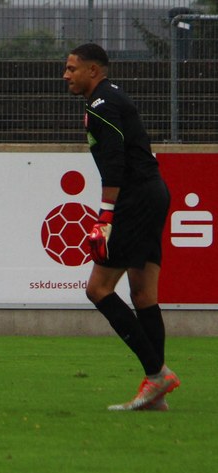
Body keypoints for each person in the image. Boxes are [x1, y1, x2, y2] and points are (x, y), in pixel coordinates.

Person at [63, 43, 179, 411]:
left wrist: (105, 217)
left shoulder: (103, 104)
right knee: (143, 295)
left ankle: (157, 374)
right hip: (152, 193)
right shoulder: (109, 98)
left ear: (93, 70)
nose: (66, 75)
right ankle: (156, 392)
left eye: (72, 69)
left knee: (97, 289)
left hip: (135, 199)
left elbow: (114, 165)